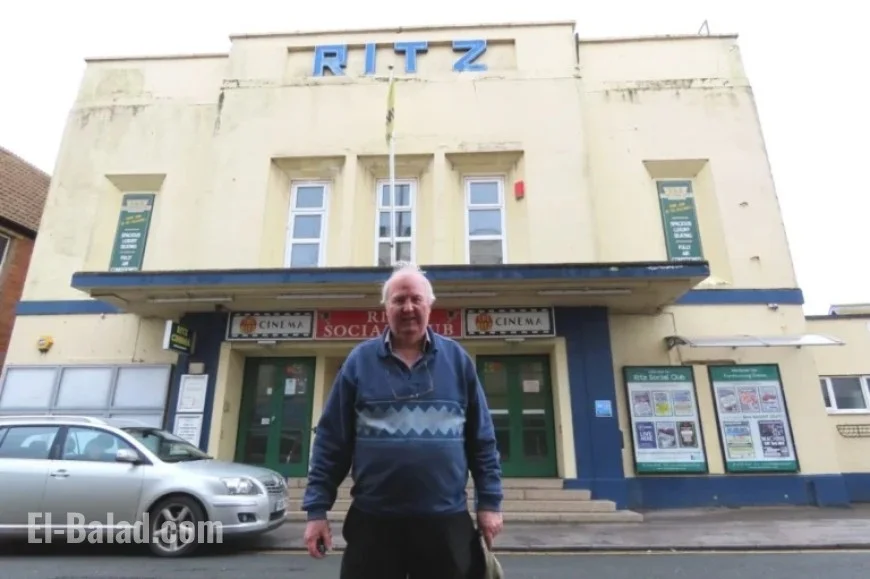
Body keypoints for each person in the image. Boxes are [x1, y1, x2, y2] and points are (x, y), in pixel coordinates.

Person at [302, 261, 504, 579]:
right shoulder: (359, 362)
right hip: (374, 524)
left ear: (429, 305)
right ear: (385, 307)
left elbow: (482, 440)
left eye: (415, 299)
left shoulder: (457, 361)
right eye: (398, 300)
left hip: (445, 523)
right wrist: (317, 510)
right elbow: (331, 442)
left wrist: (489, 503)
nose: (407, 307)